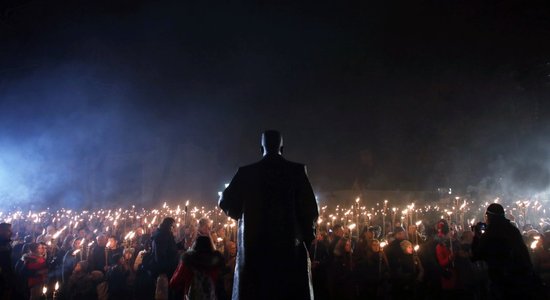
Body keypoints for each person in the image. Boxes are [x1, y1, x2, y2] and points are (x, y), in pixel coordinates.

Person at [219, 130, 319, 300]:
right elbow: (310, 210)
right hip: (289, 253)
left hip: (255, 252)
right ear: (282, 147)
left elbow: (225, 202)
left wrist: (243, 217)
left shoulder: (246, 173)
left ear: (261, 148)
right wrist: (306, 239)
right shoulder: (297, 171)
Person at [472, 203, 537, 299]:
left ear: (489, 216)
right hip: (520, 278)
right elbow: (523, 252)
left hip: (500, 281)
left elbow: (477, 255)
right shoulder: (513, 230)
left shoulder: (489, 234)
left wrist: (476, 237)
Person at [0, 223, 14, 300]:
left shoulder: (7, 242)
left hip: (7, 276)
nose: (11, 232)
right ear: (1, 231)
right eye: (8, 231)